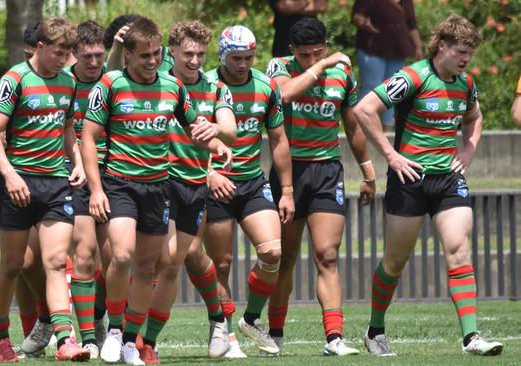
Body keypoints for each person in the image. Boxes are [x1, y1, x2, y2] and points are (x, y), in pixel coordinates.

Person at [81, 16, 232, 365]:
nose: (151, 61)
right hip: (119, 183)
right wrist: (96, 190)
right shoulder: (110, 84)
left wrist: (216, 147)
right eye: (144, 56)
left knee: (149, 266)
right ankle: (116, 329)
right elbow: (88, 138)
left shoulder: (172, 87)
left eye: (155, 54)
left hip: (158, 186)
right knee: (121, 256)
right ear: (129, 56)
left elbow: (194, 124)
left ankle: (132, 343)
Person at [353, 14, 503, 356]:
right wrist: (391, 156)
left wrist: (468, 148)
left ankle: (470, 338)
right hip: (409, 180)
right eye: (461, 52)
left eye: (470, 54)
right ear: (442, 46)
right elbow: (364, 109)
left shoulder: (464, 83)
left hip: (449, 181)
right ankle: (375, 330)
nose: (466, 59)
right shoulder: (412, 77)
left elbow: (474, 117)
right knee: (394, 262)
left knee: (459, 250)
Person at [265, 17, 376, 356]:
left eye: (319, 52)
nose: (312, 59)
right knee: (284, 259)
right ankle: (275, 335)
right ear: (292, 51)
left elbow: (353, 125)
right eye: (305, 55)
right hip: (289, 172)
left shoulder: (343, 75)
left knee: (327, 255)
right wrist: (324, 64)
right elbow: (284, 93)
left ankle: (334, 338)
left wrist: (368, 172)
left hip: (327, 171)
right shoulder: (279, 66)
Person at [0, 16, 89, 362]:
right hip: (18, 181)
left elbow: (68, 128)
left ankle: (64, 340)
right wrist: (9, 176)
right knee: (13, 264)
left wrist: (76, 161)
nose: (64, 60)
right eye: (58, 53)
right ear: (41, 47)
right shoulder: (14, 79)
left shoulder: (68, 83)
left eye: (67, 54)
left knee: (57, 262)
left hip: (55, 184)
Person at [138, 20, 237, 363]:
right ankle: (136, 339)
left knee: (177, 261)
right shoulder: (159, 82)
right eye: (188, 54)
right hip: (159, 180)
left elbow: (231, 129)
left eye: (200, 54)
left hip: (193, 184)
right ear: (173, 52)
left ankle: (216, 320)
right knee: (160, 261)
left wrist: (216, 133)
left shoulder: (214, 86)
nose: (194, 60)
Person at [203, 25, 294, 357]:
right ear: (223, 56)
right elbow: (184, 136)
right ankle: (225, 334)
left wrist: (286, 190)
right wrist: (209, 172)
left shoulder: (266, 87)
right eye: (236, 58)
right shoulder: (206, 84)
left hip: (253, 182)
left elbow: (279, 141)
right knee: (221, 264)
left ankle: (252, 318)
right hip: (213, 184)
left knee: (272, 253)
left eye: (249, 58)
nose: (243, 64)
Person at [65, 19, 108, 359]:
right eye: (87, 56)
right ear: (74, 54)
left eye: (99, 55)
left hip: (118, 176)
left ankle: (103, 319)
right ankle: (89, 336)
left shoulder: (115, 82)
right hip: (76, 177)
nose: (93, 63)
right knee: (83, 254)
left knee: (116, 259)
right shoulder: (65, 84)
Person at [351, 0, 423, 133]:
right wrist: (363, 22)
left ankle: (388, 134)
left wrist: (418, 46)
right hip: (372, 49)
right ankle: (358, 131)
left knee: (393, 91)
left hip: (397, 51)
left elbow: (411, 24)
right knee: (370, 88)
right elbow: (357, 16)